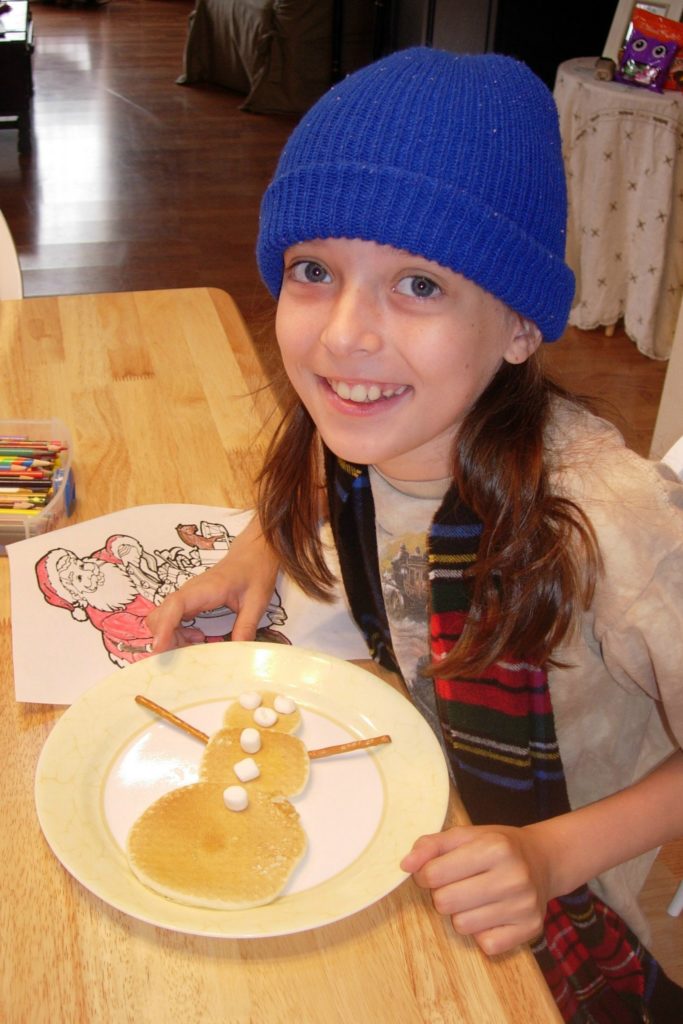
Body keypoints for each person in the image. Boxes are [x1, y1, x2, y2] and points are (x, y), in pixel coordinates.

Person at [146, 47, 683, 1020]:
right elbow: (328, 459)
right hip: (409, 819)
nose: (346, 335)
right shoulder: (377, 412)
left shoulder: (609, 526)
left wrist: (548, 852)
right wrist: (254, 548)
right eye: (314, 271)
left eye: (418, 287)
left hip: (552, 927)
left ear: (518, 323)